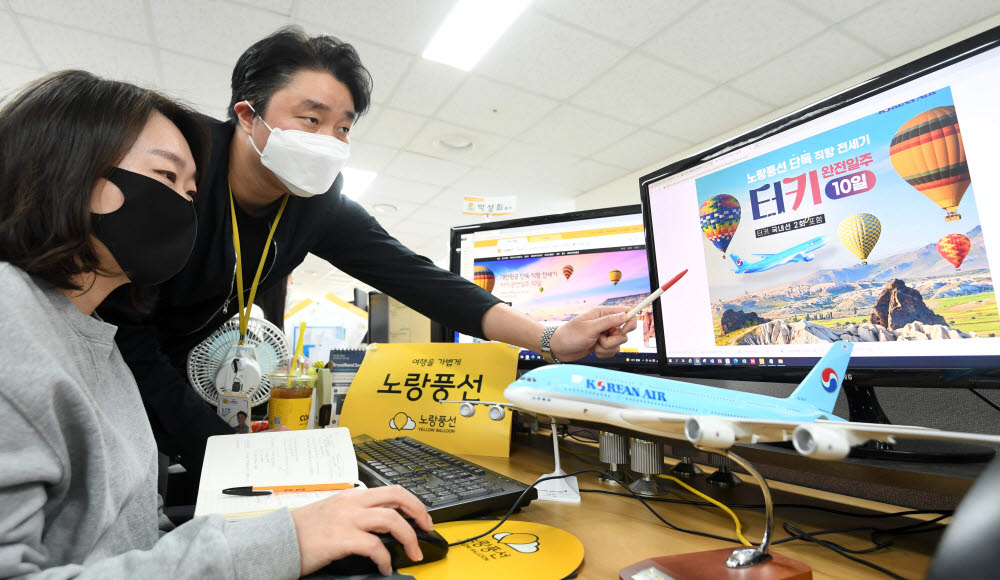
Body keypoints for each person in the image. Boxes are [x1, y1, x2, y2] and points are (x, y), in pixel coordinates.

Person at [99, 25, 638, 495]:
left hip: (205, 382)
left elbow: (418, 279)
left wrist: (549, 339)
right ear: (248, 114)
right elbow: (125, 329)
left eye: (344, 127)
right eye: (310, 119)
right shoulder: (182, 168)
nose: (329, 140)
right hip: (108, 366)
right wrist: (221, 447)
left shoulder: (317, 202)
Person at [0, 70, 432, 578]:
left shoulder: (99, 342)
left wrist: (278, 537)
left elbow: (132, 537)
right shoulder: (12, 320)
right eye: (166, 179)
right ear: (65, 168)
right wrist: (284, 540)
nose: (184, 209)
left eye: (190, 193)